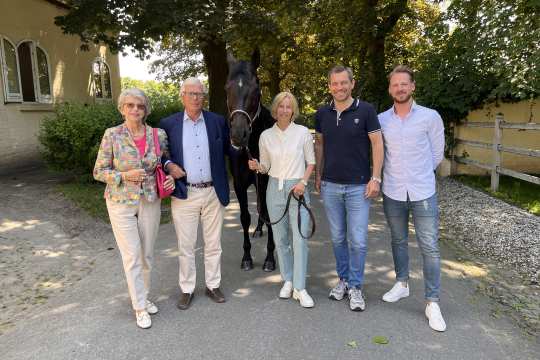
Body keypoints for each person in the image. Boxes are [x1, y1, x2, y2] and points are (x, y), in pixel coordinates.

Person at [93, 88, 175, 329]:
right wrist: (123, 176)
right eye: (130, 105)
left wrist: (170, 177)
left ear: (146, 109)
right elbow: (98, 171)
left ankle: (144, 296)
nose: (135, 110)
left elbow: (164, 163)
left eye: (140, 105)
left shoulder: (158, 135)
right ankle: (139, 306)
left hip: (150, 199)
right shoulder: (112, 135)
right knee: (132, 256)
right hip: (120, 201)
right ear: (122, 108)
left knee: (147, 254)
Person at [378, 65, 446, 331]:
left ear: (413, 86)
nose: (400, 88)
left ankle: (432, 302)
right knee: (398, 240)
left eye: (404, 84)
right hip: (393, 190)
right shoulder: (382, 119)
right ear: (390, 89)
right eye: (395, 85)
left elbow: (437, 154)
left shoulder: (430, 117)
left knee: (429, 246)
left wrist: (418, 175)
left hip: (422, 191)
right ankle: (402, 284)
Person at [314, 66, 384, 311]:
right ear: (329, 86)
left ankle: (356, 287)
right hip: (331, 185)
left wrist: (376, 178)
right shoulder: (322, 113)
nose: (340, 87)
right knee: (337, 238)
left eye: (344, 83)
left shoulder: (365, 110)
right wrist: (318, 175)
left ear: (352, 84)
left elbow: (377, 143)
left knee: (359, 240)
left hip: (358, 187)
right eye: (335, 83)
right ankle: (343, 280)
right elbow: (320, 145)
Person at [159, 77, 230, 310]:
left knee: (213, 243)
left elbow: (231, 148)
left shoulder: (217, 121)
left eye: (200, 94)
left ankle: (213, 285)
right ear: (182, 96)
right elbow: (159, 153)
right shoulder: (169, 124)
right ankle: (187, 289)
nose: (196, 98)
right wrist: (169, 165)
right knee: (186, 245)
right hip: (185, 192)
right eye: (191, 94)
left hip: (212, 191)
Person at [248, 92, 316, 308]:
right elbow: (266, 167)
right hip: (274, 189)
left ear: (293, 110)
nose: (284, 110)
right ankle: (287, 280)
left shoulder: (303, 132)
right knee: (281, 239)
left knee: (300, 238)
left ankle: (300, 287)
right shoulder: (266, 136)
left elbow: (311, 162)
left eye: (289, 106)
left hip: (297, 188)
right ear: (275, 110)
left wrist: (303, 183)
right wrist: (258, 166)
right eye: (281, 106)